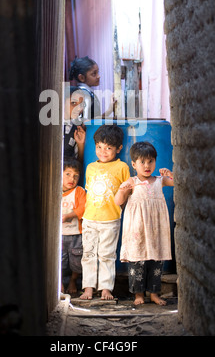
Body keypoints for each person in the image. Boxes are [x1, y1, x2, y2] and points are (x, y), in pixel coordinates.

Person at [114, 141, 174, 306]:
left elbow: (177, 181)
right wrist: (122, 189)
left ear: (155, 161)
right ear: (134, 164)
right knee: (137, 263)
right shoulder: (132, 182)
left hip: (156, 230)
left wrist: (170, 174)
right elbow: (117, 201)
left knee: (156, 262)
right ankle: (138, 295)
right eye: (142, 162)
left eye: (150, 161)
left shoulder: (160, 180)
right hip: (137, 230)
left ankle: (154, 294)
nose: (147, 165)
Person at [80, 125, 130, 300]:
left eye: (108, 148)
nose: (103, 151)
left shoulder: (122, 167)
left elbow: (127, 192)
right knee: (88, 254)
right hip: (89, 218)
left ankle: (106, 289)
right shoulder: (91, 167)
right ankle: (88, 288)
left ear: (119, 149)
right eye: (99, 147)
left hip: (110, 220)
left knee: (107, 255)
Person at [62, 158, 86, 295]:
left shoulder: (79, 192)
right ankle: (59, 283)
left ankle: (73, 280)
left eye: (76, 176)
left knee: (77, 261)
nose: (72, 178)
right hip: (59, 235)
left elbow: (84, 208)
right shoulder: (53, 190)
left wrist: (70, 215)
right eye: (68, 174)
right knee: (60, 261)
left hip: (76, 234)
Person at [63, 85, 86, 163]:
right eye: (73, 103)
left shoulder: (77, 130)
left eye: (81, 105)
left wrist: (81, 144)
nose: (79, 108)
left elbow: (78, 163)